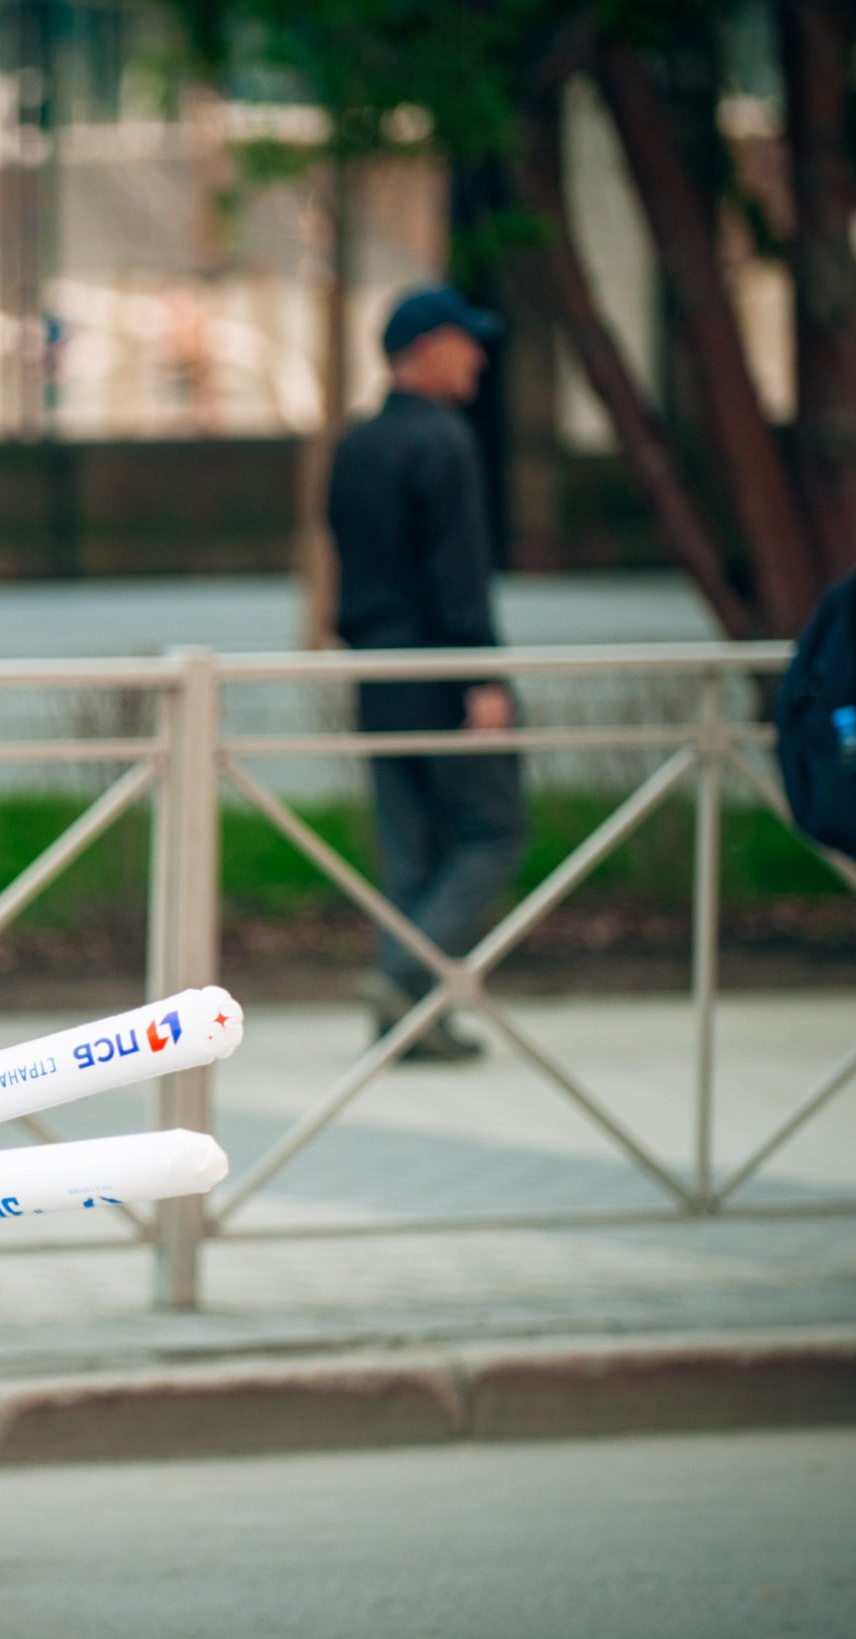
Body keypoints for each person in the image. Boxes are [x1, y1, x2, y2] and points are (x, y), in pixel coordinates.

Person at [328, 284, 526, 1062]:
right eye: (466, 339)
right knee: (492, 831)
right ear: (428, 348)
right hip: (443, 666)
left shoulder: (354, 443)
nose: (479, 356)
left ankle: (408, 1018)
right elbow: (458, 574)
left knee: (408, 847)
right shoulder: (444, 440)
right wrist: (483, 674)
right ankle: (402, 975)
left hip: (378, 667)